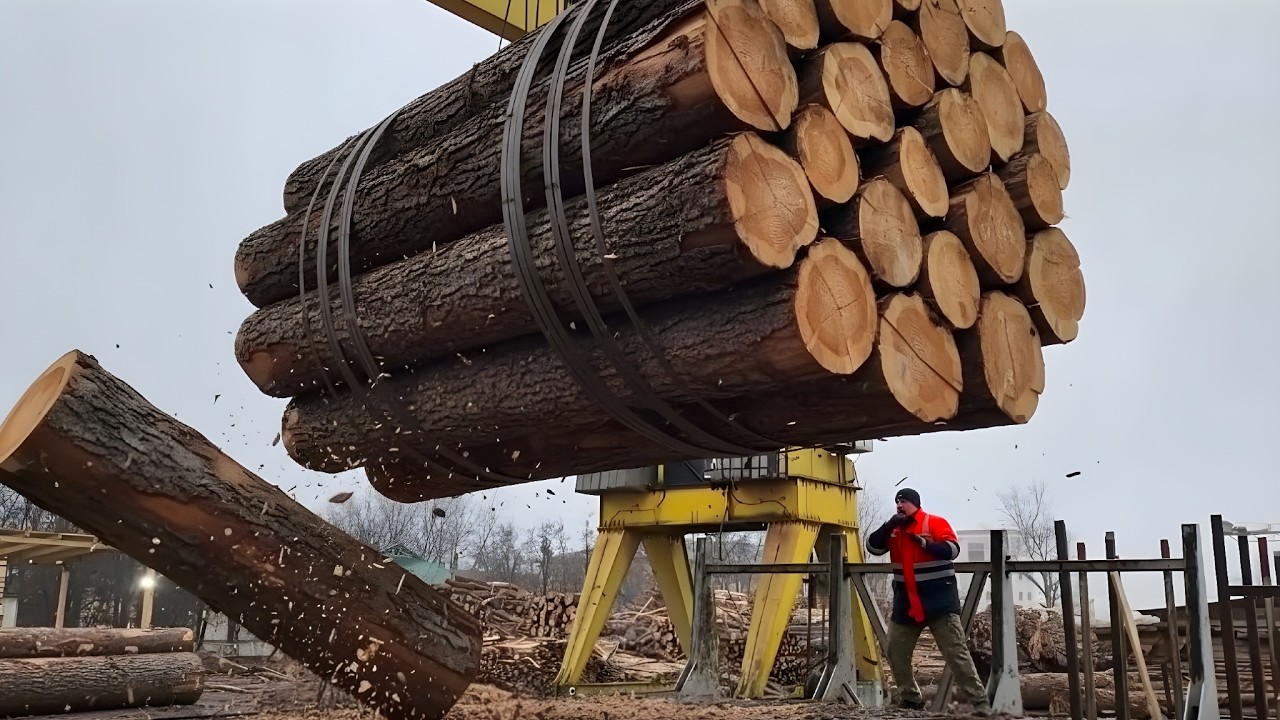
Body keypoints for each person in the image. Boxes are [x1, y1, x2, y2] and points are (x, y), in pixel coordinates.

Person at [866, 488, 990, 715]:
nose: (899, 505)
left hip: (939, 601)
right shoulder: (894, 530)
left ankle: (981, 704)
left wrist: (926, 545)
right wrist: (888, 526)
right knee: (894, 649)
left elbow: (952, 550)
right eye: (896, 502)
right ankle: (911, 699)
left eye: (903, 501)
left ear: (915, 504)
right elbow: (873, 546)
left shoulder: (934, 523)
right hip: (907, 603)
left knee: (955, 653)